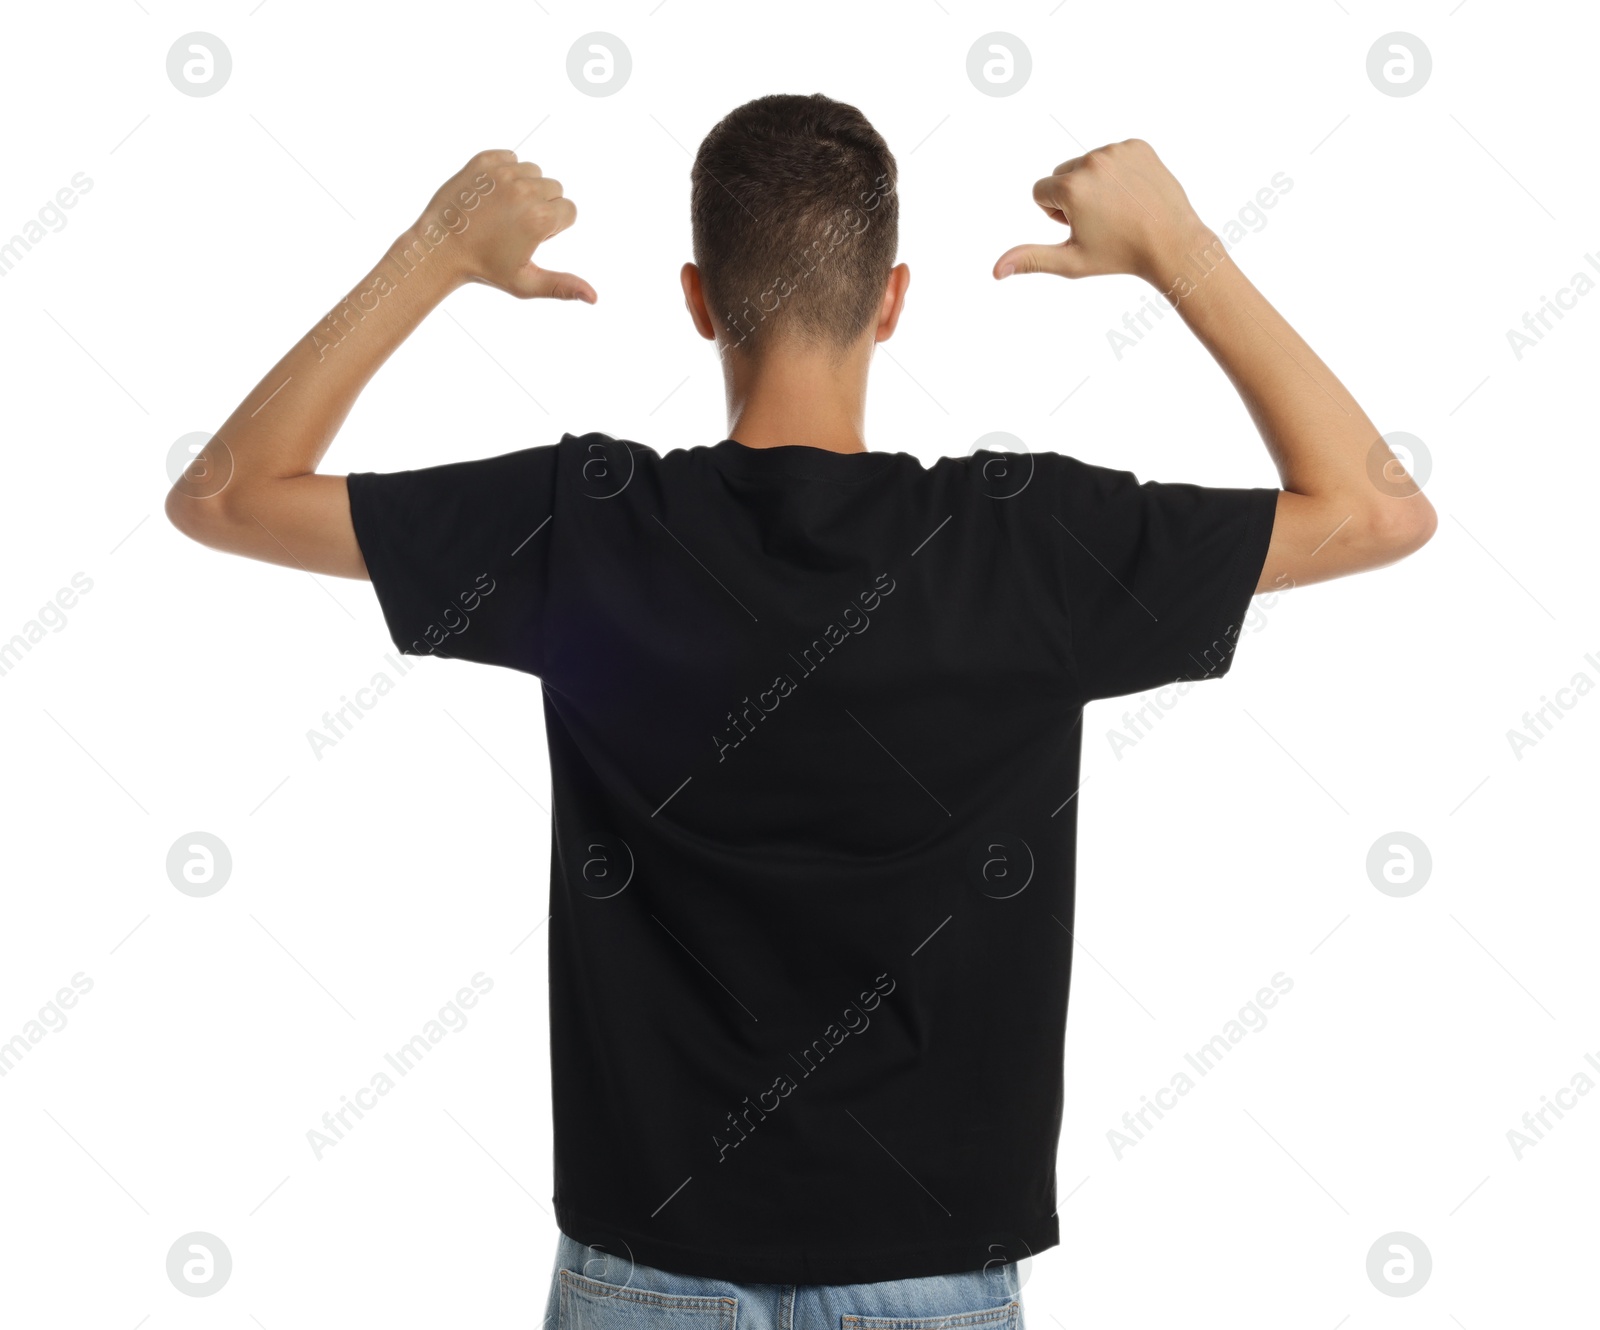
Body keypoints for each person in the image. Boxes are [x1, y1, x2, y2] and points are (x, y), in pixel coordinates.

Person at [166, 94, 1434, 1328]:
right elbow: (1377, 510)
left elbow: (224, 496)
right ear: (891, 302)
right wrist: (1178, 250)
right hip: (933, 1274)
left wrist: (435, 250)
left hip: (640, 1275)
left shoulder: (583, 526)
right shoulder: (1032, 546)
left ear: (698, 300)